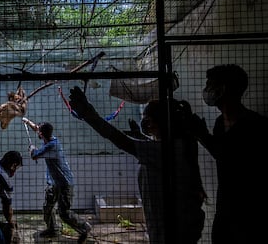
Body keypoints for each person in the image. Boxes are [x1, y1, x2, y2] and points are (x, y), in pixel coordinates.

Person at [69, 86, 206, 244]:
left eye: (147, 118)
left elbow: (118, 139)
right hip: (179, 224)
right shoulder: (179, 144)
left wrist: (89, 114)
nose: (144, 121)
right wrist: (140, 136)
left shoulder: (166, 149)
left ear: (159, 121)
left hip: (173, 228)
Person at [190, 64, 268, 244]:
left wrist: (201, 134)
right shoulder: (220, 123)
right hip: (225, 207)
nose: (207, 90)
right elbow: (222, 153)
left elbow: (230, 157)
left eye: (210, 85)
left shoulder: (255, 126)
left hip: (251, 212)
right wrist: (202, 134)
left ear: (222, 89)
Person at [23, 119, 92, 244]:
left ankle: (84, 227)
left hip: (64, 183)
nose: (37, 131)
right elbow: (37, 129)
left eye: (39, 131)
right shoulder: (50, 139)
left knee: (64, 213)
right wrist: (27, 121)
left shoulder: (51, 146)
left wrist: (32, 149)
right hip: (54, 182)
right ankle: (52, 229)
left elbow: (34, 155)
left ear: (41, 134)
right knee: (47, 207)